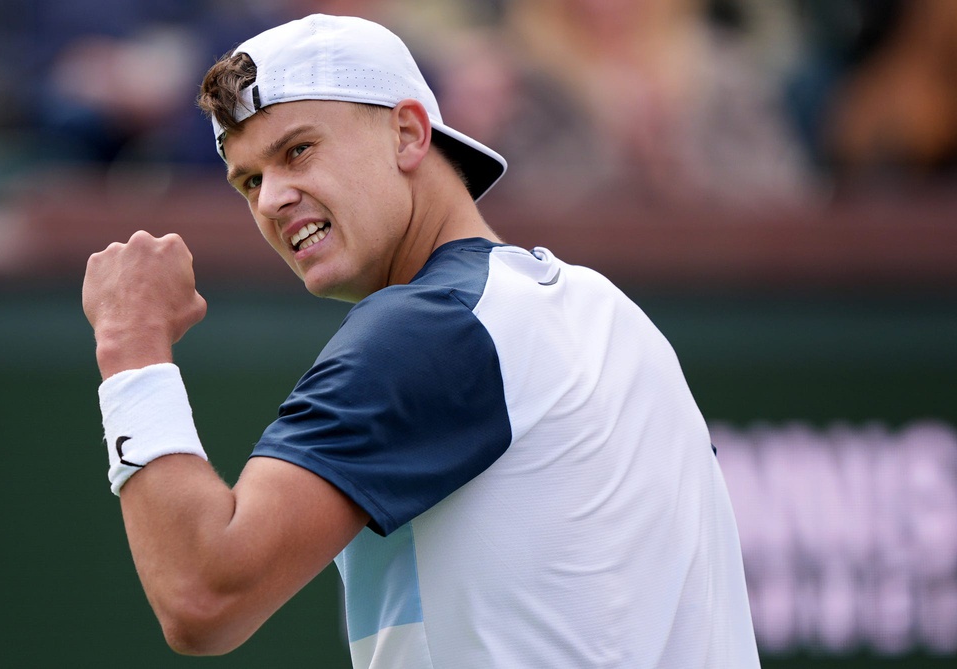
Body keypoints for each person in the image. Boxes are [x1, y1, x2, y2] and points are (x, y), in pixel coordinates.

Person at [82, 13, 760, 668]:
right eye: (250, 179)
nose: (271, 200)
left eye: (298, 150)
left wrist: (131, 345)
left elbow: (203, 593)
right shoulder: (607, 310)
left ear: (409, 134)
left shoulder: (434, 325)